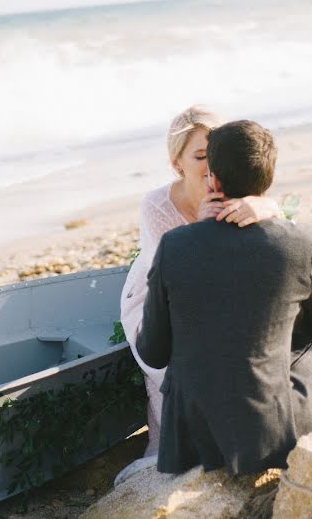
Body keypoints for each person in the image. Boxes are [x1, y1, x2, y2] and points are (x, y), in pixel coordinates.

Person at [136, 120, 312, 474]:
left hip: (191, 437)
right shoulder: (300, 240)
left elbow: (152, 352)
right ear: (269, 177)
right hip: (269, 429)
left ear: (214, 181)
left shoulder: (174, 246)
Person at [120, 106, 281, 457]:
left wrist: (262, 208)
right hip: (158, 300)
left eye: (217, 153)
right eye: (200, 156)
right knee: (183, 368)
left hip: (219, 298)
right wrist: (202, 232)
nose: (212, 165)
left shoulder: (236, 183)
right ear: (178, 164)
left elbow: (281, 232)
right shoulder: (156, 207)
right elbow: (175, 281)